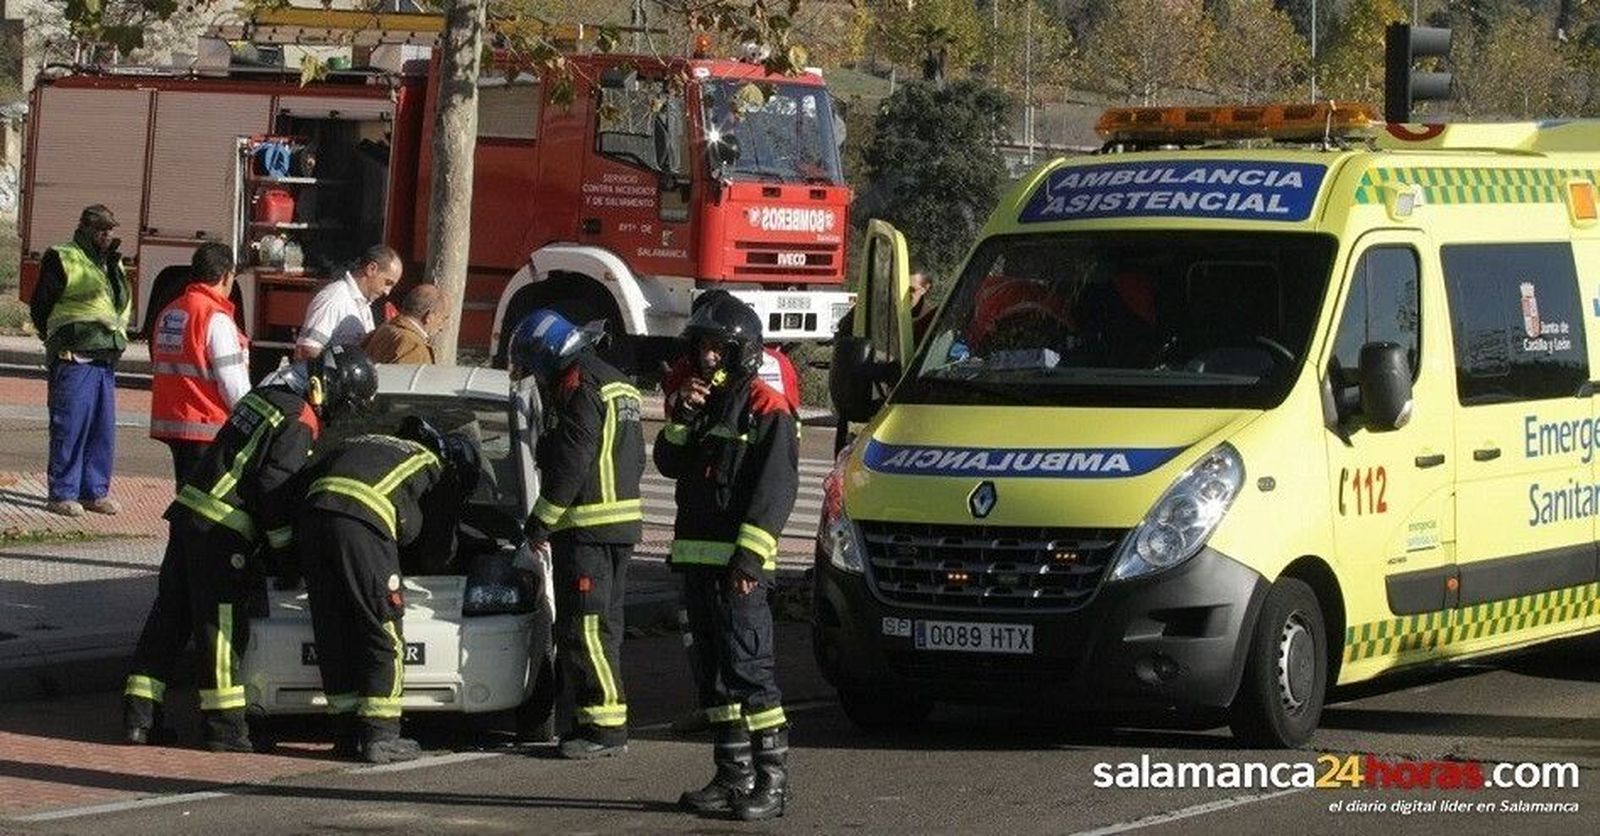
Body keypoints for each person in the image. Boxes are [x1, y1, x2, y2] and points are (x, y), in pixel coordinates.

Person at [122, 344, 378, 750]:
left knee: (170, 617)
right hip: (222, 528)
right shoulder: (300, 419)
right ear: (328, 389)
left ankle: (139, 718)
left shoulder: (265, 396)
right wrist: (286, 551)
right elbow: (274, 487)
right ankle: (224, 730)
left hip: (190, 514)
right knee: (221, 628)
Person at [655, 294, 799, 821]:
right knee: (714, 678)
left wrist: (749, 562)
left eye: (719, 349)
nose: (708, 358)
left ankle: (772, 782)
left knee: (750, 673)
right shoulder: (703, 402)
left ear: (743, 352)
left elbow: (775, 490)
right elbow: (670, 462)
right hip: (696, 562)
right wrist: (681, 417)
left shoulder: (767, 407)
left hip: (738, 571)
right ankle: (732, 774)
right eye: (702, 348)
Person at [298, 417, 480, 764]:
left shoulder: (361, 440)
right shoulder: (435, 466)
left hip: (313, 520)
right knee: (383, 628)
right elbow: (436, 551)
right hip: (361, 525)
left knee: (332, 630)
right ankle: (381, 735)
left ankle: (346, 733)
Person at [509, 310, 645, 759]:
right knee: (604, 627)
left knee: (585, 627)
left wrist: (540, 521)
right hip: (616, 526)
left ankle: (603, 728)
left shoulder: (579, 385)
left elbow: (571, 460)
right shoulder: (615, 380)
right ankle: (596, 721)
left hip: (587, 527)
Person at [29, 204, 130, 517]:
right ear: (84, 228)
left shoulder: (112, 262)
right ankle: (62, 493)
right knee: (70, 427)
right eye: (100, 229)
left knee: (102, 431)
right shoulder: (63, 256)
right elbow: (40, 306)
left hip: (104, 357)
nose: (105, 235)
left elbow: (117, 303)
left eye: (109, 229)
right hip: (73, 356)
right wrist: (57, 338)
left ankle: (93, 492)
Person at [148, 243, 251, 487]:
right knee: (205, 504)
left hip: (174, 422)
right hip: (207, 425)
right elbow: (232, 382)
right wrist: (250, 420)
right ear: (226, 276)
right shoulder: (215, 318)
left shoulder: (171, 312)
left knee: (185, 496)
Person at [294, 244, 402, 362]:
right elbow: (306, 350)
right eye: (388, 282)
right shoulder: (334, 299)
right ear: (371, 268)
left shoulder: (362, 304)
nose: (387, 292)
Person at [362, 283, 447, 365]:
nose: (442, 328)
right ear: (429, 316)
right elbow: (407, 379)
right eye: (443, 319)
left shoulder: (384, 329)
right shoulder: (413, 347)